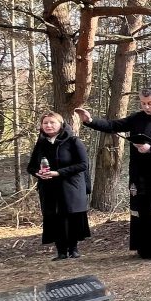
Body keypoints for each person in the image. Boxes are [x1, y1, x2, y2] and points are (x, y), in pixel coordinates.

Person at [76, 87, 151, 260]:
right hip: (140, 175)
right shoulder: (136, 118)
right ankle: (146, 249)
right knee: (142, 212)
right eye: (143, 103)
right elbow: (113, 126)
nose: (146, 107)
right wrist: (90, 120)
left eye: (150, 103)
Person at [27, 111, 91, 260]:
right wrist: (39, 173)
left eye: (52, 122)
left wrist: (59, 173)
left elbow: (83, 164)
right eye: (45, 123)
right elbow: (31, 167)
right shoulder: (41, 143)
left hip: (71, 186)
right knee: (54, 218)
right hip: (48, 187)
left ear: (61, 124)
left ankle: (73, 249)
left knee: (71, 216)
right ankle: (61, 251)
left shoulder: (73, 141)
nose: (48, 125)